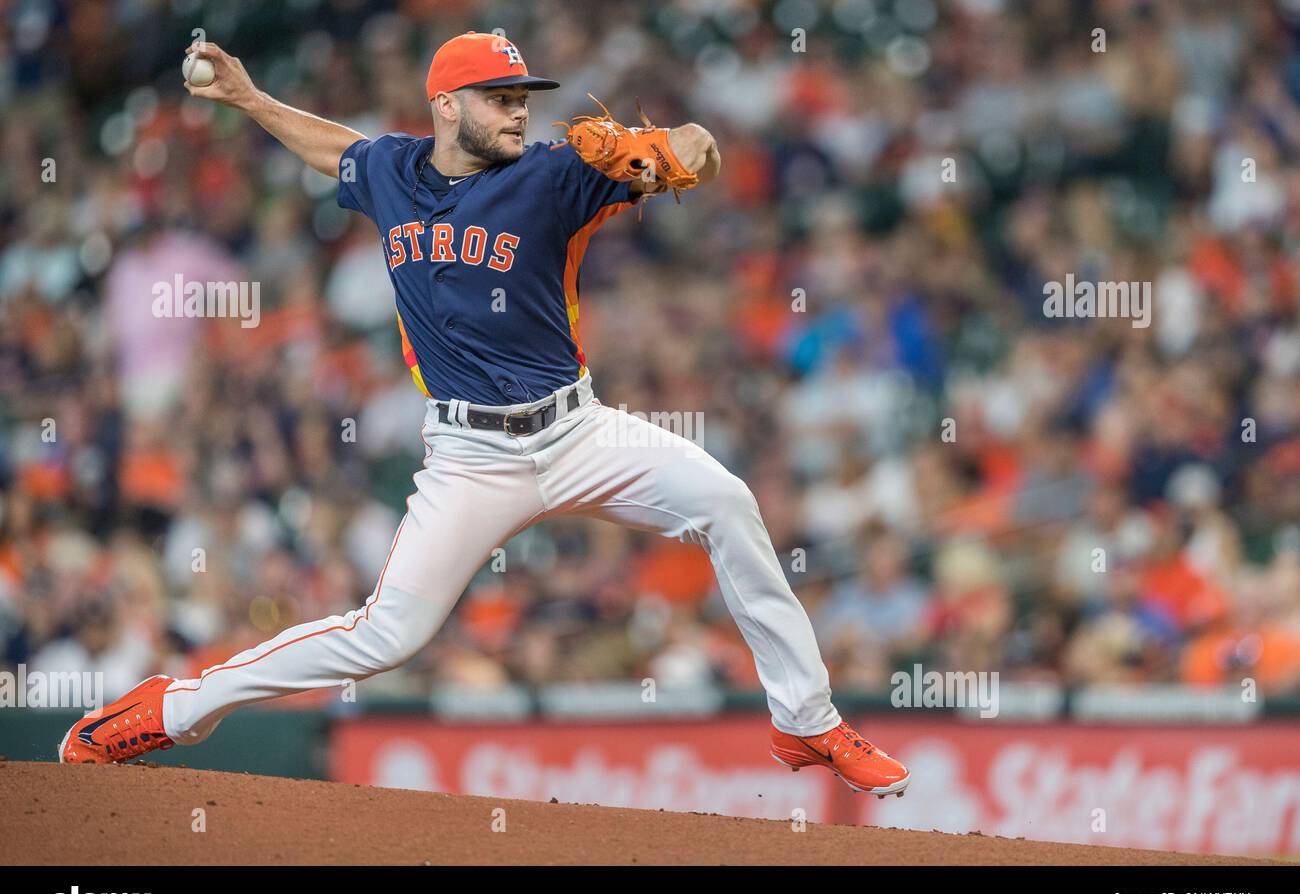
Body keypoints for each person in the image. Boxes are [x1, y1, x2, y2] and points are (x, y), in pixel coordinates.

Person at [59, 32, 910, 798]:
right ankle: (175, 706)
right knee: (384, 636)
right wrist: (249, 99)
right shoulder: (392, 170)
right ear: (445, 107)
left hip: (578, 430)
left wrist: (662, 156)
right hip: (470, 455)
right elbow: (336, 152)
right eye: (500, 97)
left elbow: (702, 148)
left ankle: (805, 719)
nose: (518, 111)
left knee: (727, 501)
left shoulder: (552, 175)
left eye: (522, 98)